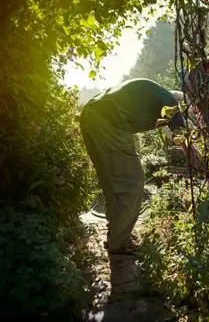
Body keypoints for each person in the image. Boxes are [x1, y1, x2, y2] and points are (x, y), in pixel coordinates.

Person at [79, 78, 187, 255]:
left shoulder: (154, 96)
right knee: (133, 182)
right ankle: (119, 242)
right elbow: (182, 137)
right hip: (110, 120)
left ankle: (115, 236)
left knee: (112, 183)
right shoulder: (171, 101)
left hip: (92, 116)